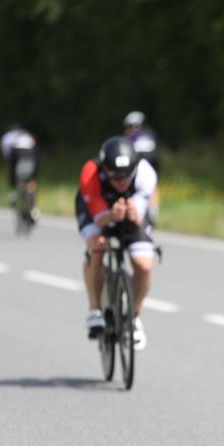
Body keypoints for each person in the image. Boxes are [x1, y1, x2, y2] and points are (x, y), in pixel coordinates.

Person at [75, 136, 158, 350]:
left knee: (144, 264)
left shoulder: (145, 172)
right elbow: (99, 217)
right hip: (96, 210)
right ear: (104, 169)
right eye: (115, 176)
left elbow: (139, 215)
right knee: (97, 245)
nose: (121, 181)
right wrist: (110, 215)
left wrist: (133, 212)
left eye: (126, 176)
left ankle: (134, 316)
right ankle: (94, 309)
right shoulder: (90, 173)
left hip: (129, 212)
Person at [123, 111, 160, 222]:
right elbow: (157, 156)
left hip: (136, 170)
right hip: (152, 169)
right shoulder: (150, 134)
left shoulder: (129, 137)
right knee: (154, 188)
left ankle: (138, 214)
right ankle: (153, 214)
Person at [0, 124, 39, 221]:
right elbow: (36, 155)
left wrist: (11, 177)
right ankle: (33, 206)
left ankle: (14, 196)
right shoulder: (27, 136)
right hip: (32, 153)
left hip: (17, 152)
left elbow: (8, 157)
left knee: (14, 175)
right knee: (31, 180)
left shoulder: (8, 137)